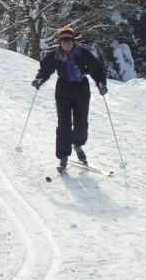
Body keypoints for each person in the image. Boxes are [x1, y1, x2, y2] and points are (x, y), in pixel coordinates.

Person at [32, 24, 108, 171]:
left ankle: (77, 144)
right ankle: (63, 157)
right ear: (59, 42)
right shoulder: (55, 55)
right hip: (63, 90)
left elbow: (96, 68)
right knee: (64, 124)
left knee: (81, 122)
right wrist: (40, 79)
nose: (66, 43)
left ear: (73, 41)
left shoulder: (82, 53)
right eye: (63, 41)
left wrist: (100, 83)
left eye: (69, 40)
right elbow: (45, 69)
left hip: (81, 89)